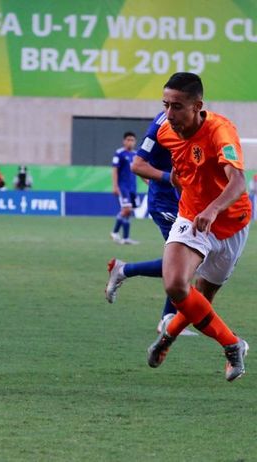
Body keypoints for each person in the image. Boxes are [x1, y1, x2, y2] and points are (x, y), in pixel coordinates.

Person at [146, 72, 251, 381]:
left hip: (231, 223)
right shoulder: (165, 131)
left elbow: (238, 181)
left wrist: (214, 208)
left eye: (177, 106)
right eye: (165, 104)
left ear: (197, 106)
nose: (169, 114)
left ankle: (168, 337)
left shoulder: (221, 131)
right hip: (191, 217)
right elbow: (145, 162)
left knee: (201, 300)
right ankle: (233, 345)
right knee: (176, 284)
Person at [105, 113, 197, 336]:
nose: (169, 108)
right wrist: (168, 178)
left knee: (185, 261)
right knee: (183, 261)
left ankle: (125, 270)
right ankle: (167, 319)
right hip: (165, 203)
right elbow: (138, 165)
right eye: (167, 103)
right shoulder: (161, 124)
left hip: (182, 201)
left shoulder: (191, 120)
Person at [110, 132, 139, 245]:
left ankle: (126, 238)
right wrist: (115, 185)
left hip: (132, 187)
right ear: (124, 141)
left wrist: (148, 181)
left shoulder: (136, 155)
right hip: (123, 187)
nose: (130, 142)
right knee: (126, 209)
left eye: (132, 140)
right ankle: (114, 232)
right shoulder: (119, 153)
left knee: (129, 211)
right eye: (128, 139)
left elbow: (140, 171)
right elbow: (115, 170)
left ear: (135, 142)